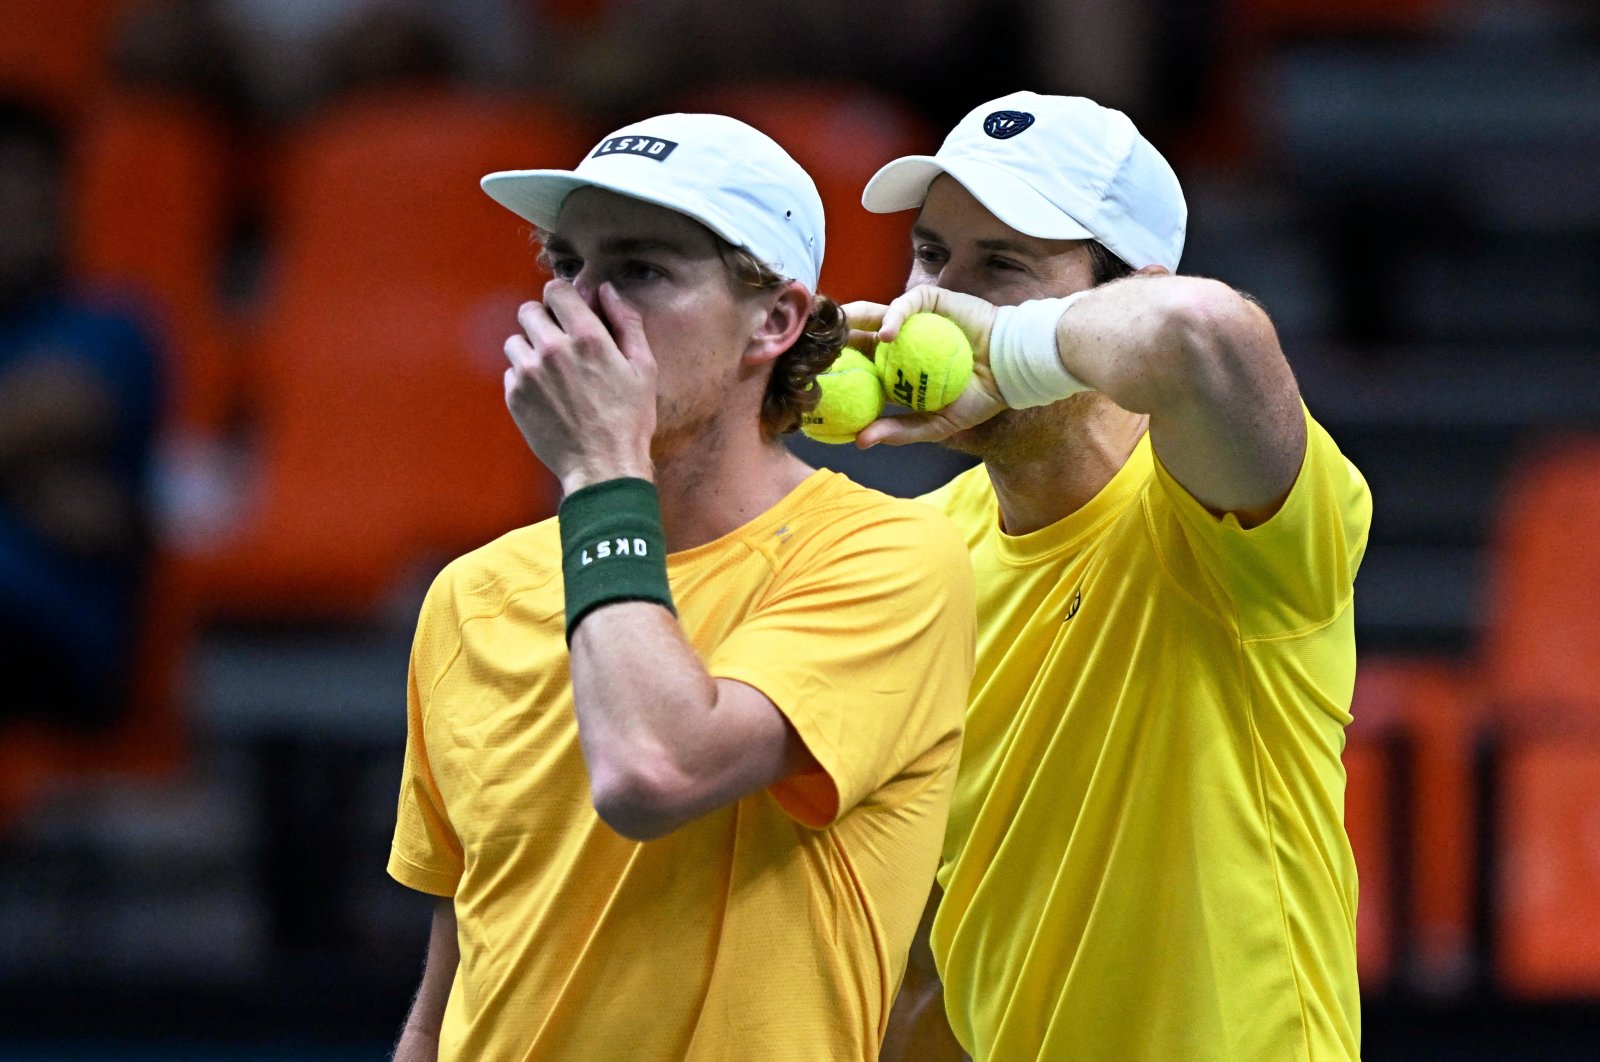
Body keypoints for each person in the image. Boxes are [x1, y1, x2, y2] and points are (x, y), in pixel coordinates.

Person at [386, 112, 975, 1061]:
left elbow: (655, 770)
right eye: (565, 265)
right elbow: (456, 979)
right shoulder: (472, 595)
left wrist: (599, 470)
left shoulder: (887, 559)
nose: (578, 309)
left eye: (640, 271)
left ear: (776, 321)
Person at [849, 92, 1371, 1061]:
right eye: (930, 256)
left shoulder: (1230, 524)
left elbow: (1198, 330)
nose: (934, 304)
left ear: (1124, 286)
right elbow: (925, 945)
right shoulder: (916, 555)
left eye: (1001, 266)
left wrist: (1006, 352)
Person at [0, 97, 162, 733]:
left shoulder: (109, 326)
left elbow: (47, 413)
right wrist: (37, 490)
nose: (26, 206)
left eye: (39, 183)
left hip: (49, 636)